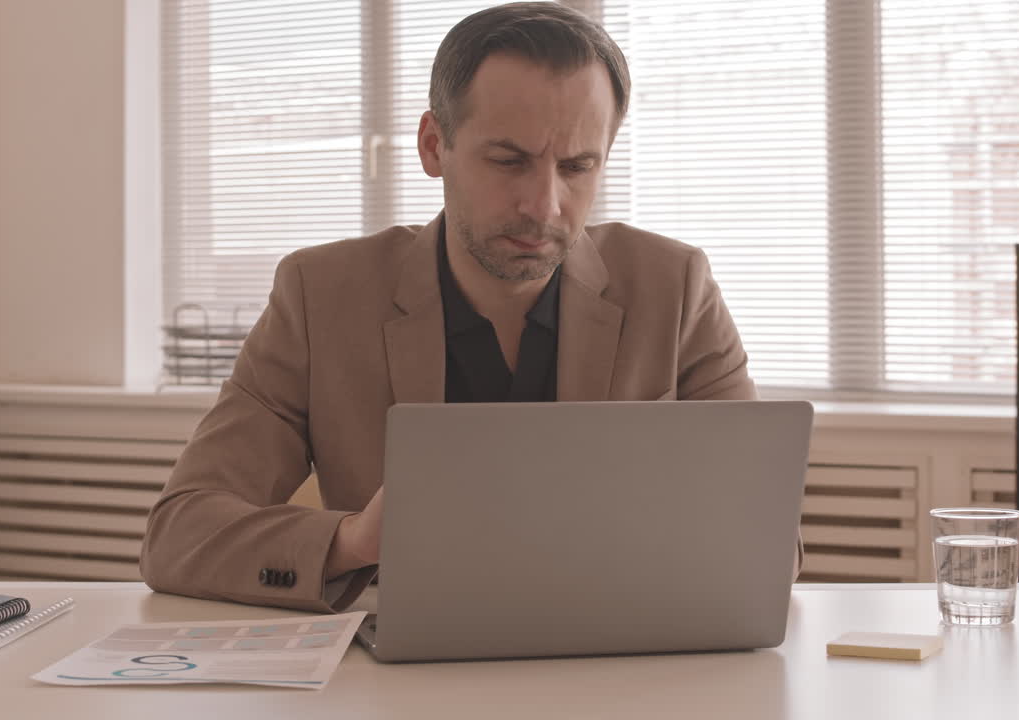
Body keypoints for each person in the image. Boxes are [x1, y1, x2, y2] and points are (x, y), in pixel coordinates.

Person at [141, 2, 799, 613]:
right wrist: (355, 540)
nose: (544, 206)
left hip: (620, 658)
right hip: (401, 672)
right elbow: (179, 535)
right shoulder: (320, 296)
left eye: (577, 167)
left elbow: (768, 544)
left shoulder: (676, 288)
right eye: (509, 161)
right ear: (434, 146)